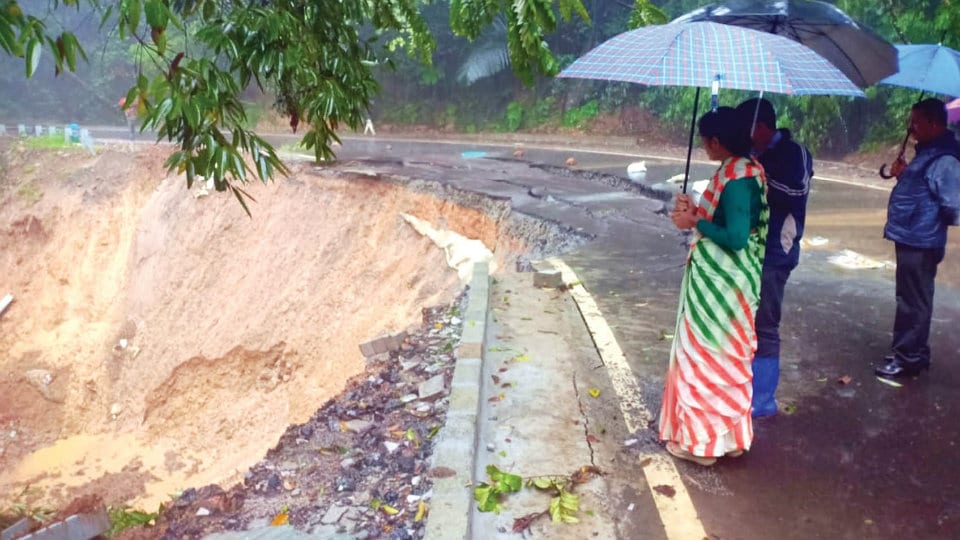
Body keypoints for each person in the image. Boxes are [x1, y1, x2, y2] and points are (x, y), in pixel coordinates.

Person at [659, 107, 769, 466]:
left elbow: (736, 238)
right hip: (734, 285)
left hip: (720, 285)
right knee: (727, 360)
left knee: (705, 357)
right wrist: (695, 211)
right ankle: (730, 439)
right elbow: (724, 219)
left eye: (706, 141)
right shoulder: (746, 170)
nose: (704, 147)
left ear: (717, 141)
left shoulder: (736, 180)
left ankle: (700, 444)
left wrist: (696, 223)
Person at [734, 98, 813, 417]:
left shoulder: (796, 153)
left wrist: (761, 178)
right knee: (745, 320)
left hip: (776, 251)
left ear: (762, 127)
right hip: (750, 249)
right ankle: (742, 387)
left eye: (746, 128)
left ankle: (762, 401)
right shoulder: (752, 154)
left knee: (765, 324)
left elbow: (796, 192)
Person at [876, 98, 960, 379]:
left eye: (915, 122)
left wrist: (925, 221)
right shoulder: (929, 153)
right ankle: (912, 352)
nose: (911, 129)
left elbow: (951, 204)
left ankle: (908, 357)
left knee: (913, 300)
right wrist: (903, 176)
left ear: (933, 124)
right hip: (914, 236)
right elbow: (922, 190)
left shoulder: (944, 159)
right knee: (911, 297)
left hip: (921, 240)